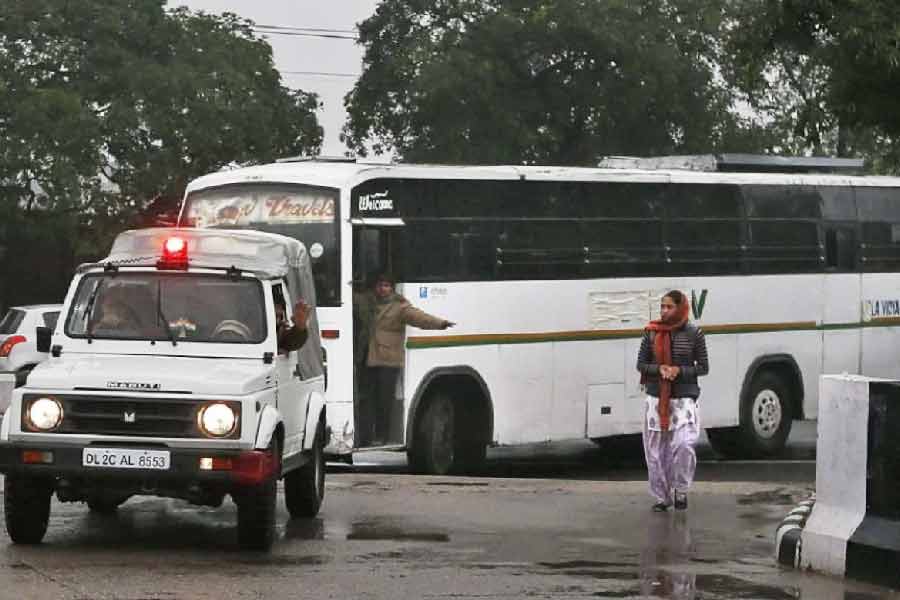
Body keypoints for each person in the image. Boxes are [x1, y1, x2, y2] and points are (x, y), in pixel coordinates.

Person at [360, 273, 454, 445]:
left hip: (388, 359)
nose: (383, 289)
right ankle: (366, 435)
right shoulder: (370, 303)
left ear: (392, 288)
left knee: (384, 400)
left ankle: (382, 435)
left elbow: (420, 318)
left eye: (386, 285)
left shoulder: (400, 306)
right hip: (370, 358)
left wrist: (440, 323)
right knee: (368, 399)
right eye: (380, 285)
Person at [636, 290, 709, 512]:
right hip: (657, 398)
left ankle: (681, 489)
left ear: (681, 308)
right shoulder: (650, 332)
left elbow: (703, 368)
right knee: (656, 452)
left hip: (684, 398)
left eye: (669, 307)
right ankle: (662, 497)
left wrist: (679, 371)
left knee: (683, 445)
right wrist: (660, 369)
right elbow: (641, 364)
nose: (664, 311)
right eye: (662, 307)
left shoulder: (694, 333)